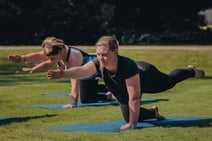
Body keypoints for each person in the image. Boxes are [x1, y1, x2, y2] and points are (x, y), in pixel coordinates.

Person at [46, 35, 205, 130]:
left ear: (115, 52)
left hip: (146, 76)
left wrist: (133, 124)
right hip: (121, 89)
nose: (101, 58)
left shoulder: (127, 66)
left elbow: (134, 98)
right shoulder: (98, 63)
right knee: (127, 115)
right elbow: (81, 71)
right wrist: (63, 74)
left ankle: (191, 71)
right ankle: (153, 113)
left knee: (169, 82)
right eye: (99, 54)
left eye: (105, 54)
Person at [8, 37, 114, 108]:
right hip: (86, 77)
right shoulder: (57, 52)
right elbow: (39, 56)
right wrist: (22, 58)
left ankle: (112, 88)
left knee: (118, 86)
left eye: (52, 57)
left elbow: (74, 82)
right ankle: (108, 95)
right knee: (87, 99)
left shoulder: (73, 56)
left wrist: (73, 103)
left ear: (59, 52)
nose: (50, 59)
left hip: (100, 69)